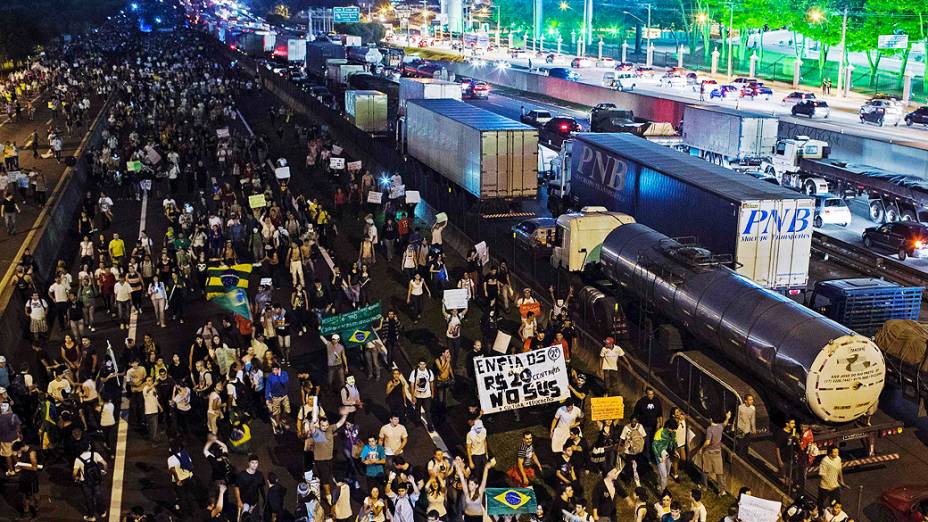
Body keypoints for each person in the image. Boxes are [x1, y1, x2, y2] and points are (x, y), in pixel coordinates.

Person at [697, 411, 730, 493]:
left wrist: (701, 448)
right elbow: (725, 423)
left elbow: (708, 442)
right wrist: (728, 417)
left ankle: (704, 486)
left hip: (708, 452)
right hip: (717, 452)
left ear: (711, 419)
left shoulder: (710, 429)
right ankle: (722, 490)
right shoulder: (720, 427)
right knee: (719, 472)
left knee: (705, 470)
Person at [73, 441, 107, 521]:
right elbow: (105, 464)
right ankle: (102, 512)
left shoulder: (78, 459)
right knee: (98, 496)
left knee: (89, 499)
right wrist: (103, 472)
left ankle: (91, 516)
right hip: (95, 479)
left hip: (85, 481)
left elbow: (74, 472)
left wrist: (76, 478)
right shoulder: (95, 454)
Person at [13, 440, 40, 519]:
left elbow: (34, 468)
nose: (17, 452)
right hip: (24, 476)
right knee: (25, 496)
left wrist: (21, 466)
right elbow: (18, 461)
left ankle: (36, 508)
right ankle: (26, 513)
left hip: (32, 477)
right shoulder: (21, 452)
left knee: (34, 494)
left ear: (21, 447)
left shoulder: (32, 453)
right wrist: (17, 456)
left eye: (18, 450)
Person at [167, 442, 196, 514]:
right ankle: (193, 510)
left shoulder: (171, 459)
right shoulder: (185, 454)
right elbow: (191, 466)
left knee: (182, 496)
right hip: (188, 478)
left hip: (179, 480)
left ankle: (185, 512)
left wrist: (177, 480)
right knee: (189, 494)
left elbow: (173, 470)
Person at [652, 418, 678, 491]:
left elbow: (674, 442)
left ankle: (660, 484)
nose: (673, 431)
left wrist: (675, 450)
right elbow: (654, 445)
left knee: (667, 472)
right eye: (672, 429)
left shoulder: (673, 432)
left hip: (669, 455)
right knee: (664, 475)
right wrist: (658, 456)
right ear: (667, 427)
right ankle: (663, 492)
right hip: (660, 456)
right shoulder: (659, 432)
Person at [409, 358, 435, 431]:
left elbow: (431, 383)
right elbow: (412, 385)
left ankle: (430, 425)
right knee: (417, 409)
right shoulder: (414, 372)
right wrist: (412, 396)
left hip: (427, 395)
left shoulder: (429, 372)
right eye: (421, 364)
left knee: (428, 411)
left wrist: (432, 393)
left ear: (426, 365)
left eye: (423, 364)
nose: (422, 366)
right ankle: (418, 422)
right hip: (418, 395)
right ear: (418, 364)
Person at [264, 363, 290, 434]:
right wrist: (267, 397)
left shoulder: (284, 374)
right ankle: (278, 425)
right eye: (273, 370)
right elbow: (268, 387)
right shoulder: (270, 377)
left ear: (279, 369)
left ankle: (284, 420)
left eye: (275, 369)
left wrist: (279, 376)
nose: (274, 371)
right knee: (276, 412)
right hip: (275, 397)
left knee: (287, 410)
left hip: (284, 395)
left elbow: (285, 383)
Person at [818, 447, 845, 512]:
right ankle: (820, 514)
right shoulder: (825, 461)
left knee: (836, 503)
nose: (837, 454)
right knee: (821, 503)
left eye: (837, 452)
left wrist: (841, 480)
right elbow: (822, 474)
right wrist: (829, 485)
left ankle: (835, 514)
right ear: (830, 453)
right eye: (835, 452)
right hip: (824, 487)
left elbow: (839, 470)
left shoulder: (838, 459)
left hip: (835, 486)